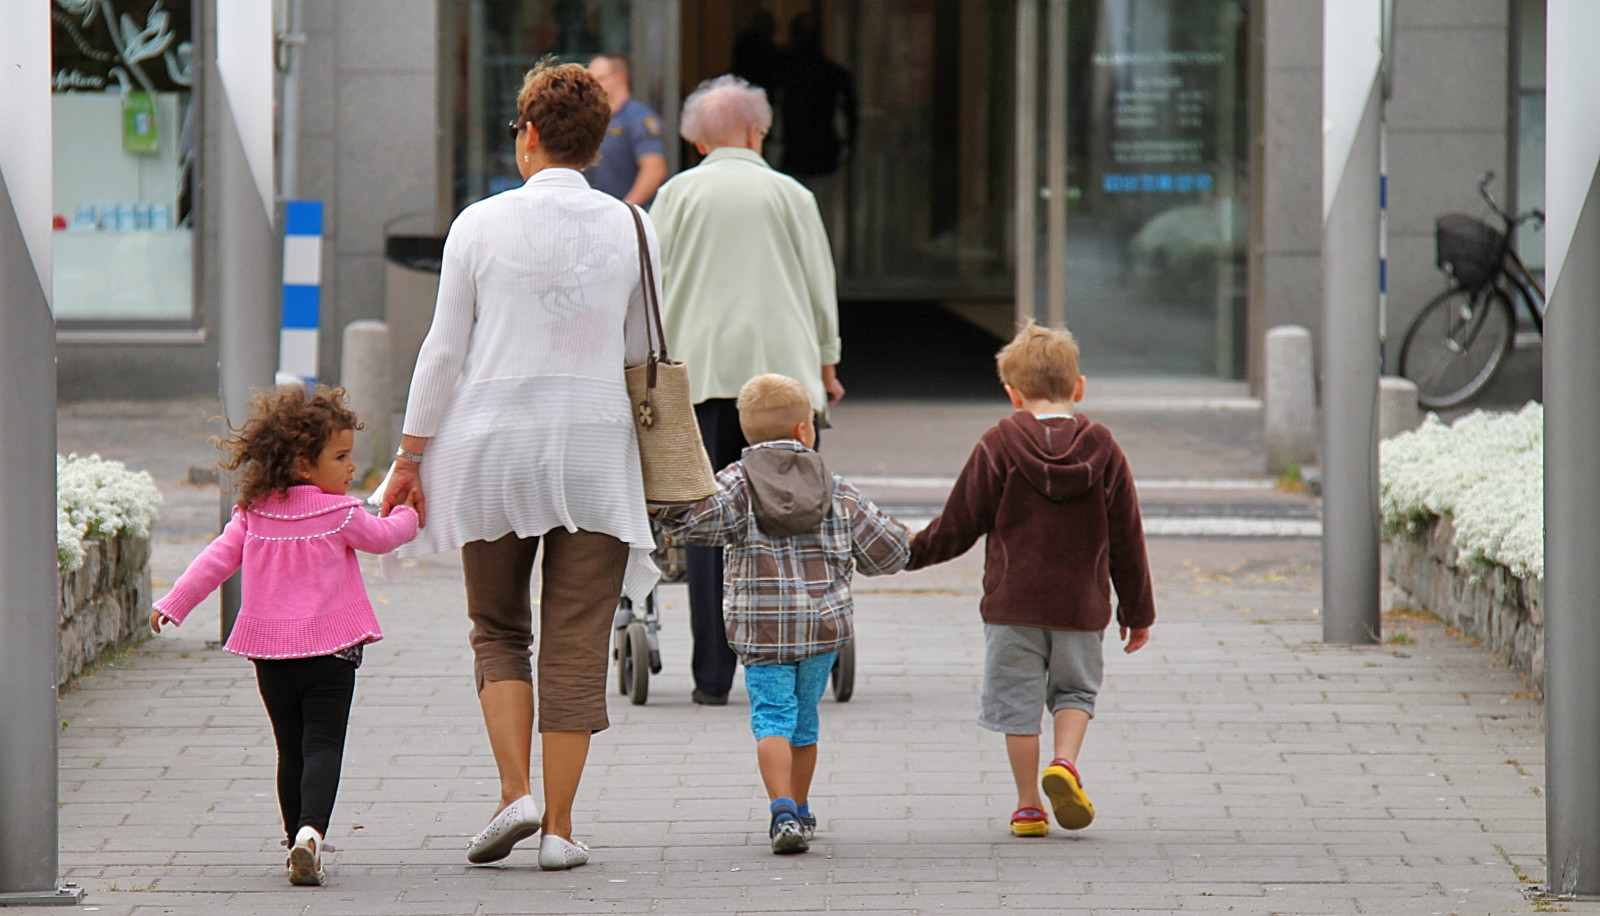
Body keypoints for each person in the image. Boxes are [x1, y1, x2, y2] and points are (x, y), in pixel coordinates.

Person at [380, 59, 658, 871]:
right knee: (577, 640)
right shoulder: (635, 227)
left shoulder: (479, 223)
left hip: (491, 445)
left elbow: (443, 352)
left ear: (528, 134)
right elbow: (645, 351)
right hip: (596, 448)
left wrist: (408, 457)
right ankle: (560, 830)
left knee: (499, 628)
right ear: (599, 143)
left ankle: (515, 794)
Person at [149, 385, 420, 886]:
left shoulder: (253, 512)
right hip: (332, 653)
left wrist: (174, 602)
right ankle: (310, 834)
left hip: (270, 656)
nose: (351, 468)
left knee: (289, 749)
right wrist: (407, 513)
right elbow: (384, 537)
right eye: (340, 457)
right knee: (324, 746)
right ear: (302, 465)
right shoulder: (341, 513)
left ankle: (293, 836)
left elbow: (216, 560)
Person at [905, 321, 1156, 837]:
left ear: (1013, 394)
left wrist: (908, 552)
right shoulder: (1104, 448)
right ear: (1079, 387)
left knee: (1016, 708)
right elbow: (1127, 536)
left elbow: (960, 523)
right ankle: (1064, 763)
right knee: (1075, 693)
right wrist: (1138, 611)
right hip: (1081, 606)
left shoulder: (999, 444)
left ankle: (1027, 807)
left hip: (1012, 605)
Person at [650, 74, 845, 706]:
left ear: (697, 140)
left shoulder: (675, 196)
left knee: (707, 520)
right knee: (792, 514)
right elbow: (819, 285)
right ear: (759, 131)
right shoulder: (791, 195)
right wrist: (827, 364)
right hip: (781, 384)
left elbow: (652, 286)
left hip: (698, 378)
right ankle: (797, 655)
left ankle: (712, 675)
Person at [653, 374, 909, 854]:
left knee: (772, 716)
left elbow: (691, 521)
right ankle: (802, 808)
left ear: (745, 431)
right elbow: (889, 550)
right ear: (804, 430)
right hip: (822, 631)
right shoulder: (835, 487)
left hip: (762, 630)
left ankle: (781, 810)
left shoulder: (735, 485)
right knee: (805, 720)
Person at [586, 53, 668, 206]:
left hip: (624, 214)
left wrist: (626, 208)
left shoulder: (638, 118)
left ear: (620, 78)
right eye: (590, 80)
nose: (593, 86)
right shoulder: (593, 119)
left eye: (600, 79)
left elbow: (654, 170)